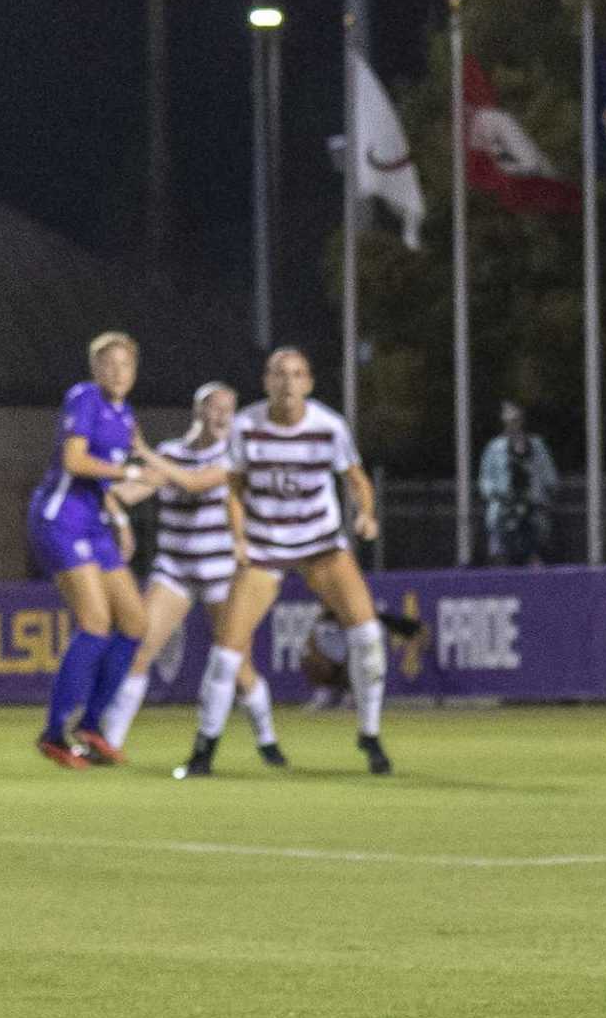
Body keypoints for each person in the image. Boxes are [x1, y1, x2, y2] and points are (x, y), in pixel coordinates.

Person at [176, 347, 394, 777]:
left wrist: (366, 513)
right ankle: (203, 750)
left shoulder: (329, 426)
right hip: (265, 546)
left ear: (309, 383)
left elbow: (356, 480)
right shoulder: (246, 427)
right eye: (279, 375)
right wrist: (238, 540)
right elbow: (233, 489)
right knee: (226, 653)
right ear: (266, 382)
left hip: (320, 543)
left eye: (296, 375)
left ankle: (369, 735)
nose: (288, 383)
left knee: (367, 636)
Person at [97, 383, 282, 766]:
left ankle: (267, 740)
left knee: (239, 667)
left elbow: (193, 482)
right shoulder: (172, 454)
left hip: (221, 574)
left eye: (230, 410)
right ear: (198, 411)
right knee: (138, 650)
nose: (223, 417)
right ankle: (109, 743)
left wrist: (145, 453)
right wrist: (116, 513)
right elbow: (123, 493)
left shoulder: (229, 455)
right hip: (175, 571)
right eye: (216, 408)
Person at [24, 331, 183, 768]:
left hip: (93, 523)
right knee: (95, 622)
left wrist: (119, 517)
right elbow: (75, 462)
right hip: (60, 519)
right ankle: (55, 733)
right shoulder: (85, 398)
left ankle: (92, 727)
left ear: (134, 372)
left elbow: (108, 481)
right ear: (95, 369)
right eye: (108, 364)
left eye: (125, 365)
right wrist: (130, 470)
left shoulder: (125, 415)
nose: (117, 372)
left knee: (134, 623)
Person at [478, 402, 559, 565]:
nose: (513, 424)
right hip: (503, 510)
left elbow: (549, 476)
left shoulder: (536, 445)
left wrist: (545, 496)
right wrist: (497, 494)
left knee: (535, 551)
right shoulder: (494, 448)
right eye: (509, 421)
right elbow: (485, 480)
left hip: (532, 507)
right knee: (499, 552)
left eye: (516, 420)